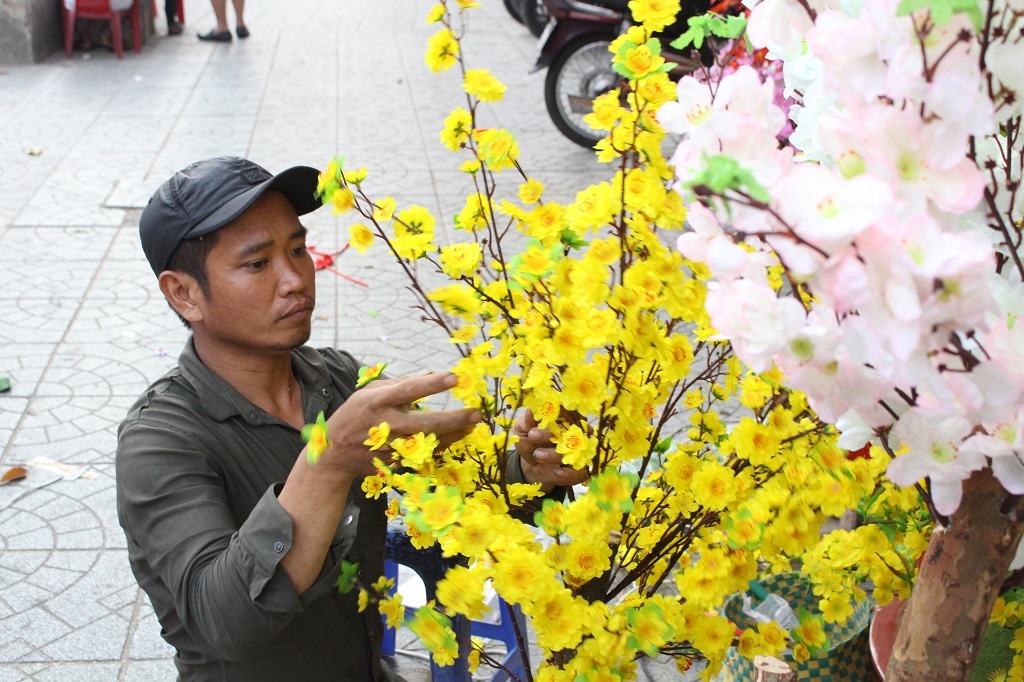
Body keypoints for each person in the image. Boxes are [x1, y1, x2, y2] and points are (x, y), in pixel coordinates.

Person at [116, 156, 587, 681]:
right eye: (257, 264)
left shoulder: (335, 379)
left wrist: (527, 471)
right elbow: (224, 623)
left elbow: (453, 493)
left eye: (297, 249)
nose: (296, 279)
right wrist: (326, 465)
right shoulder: (158, 441)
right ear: (184, 293)